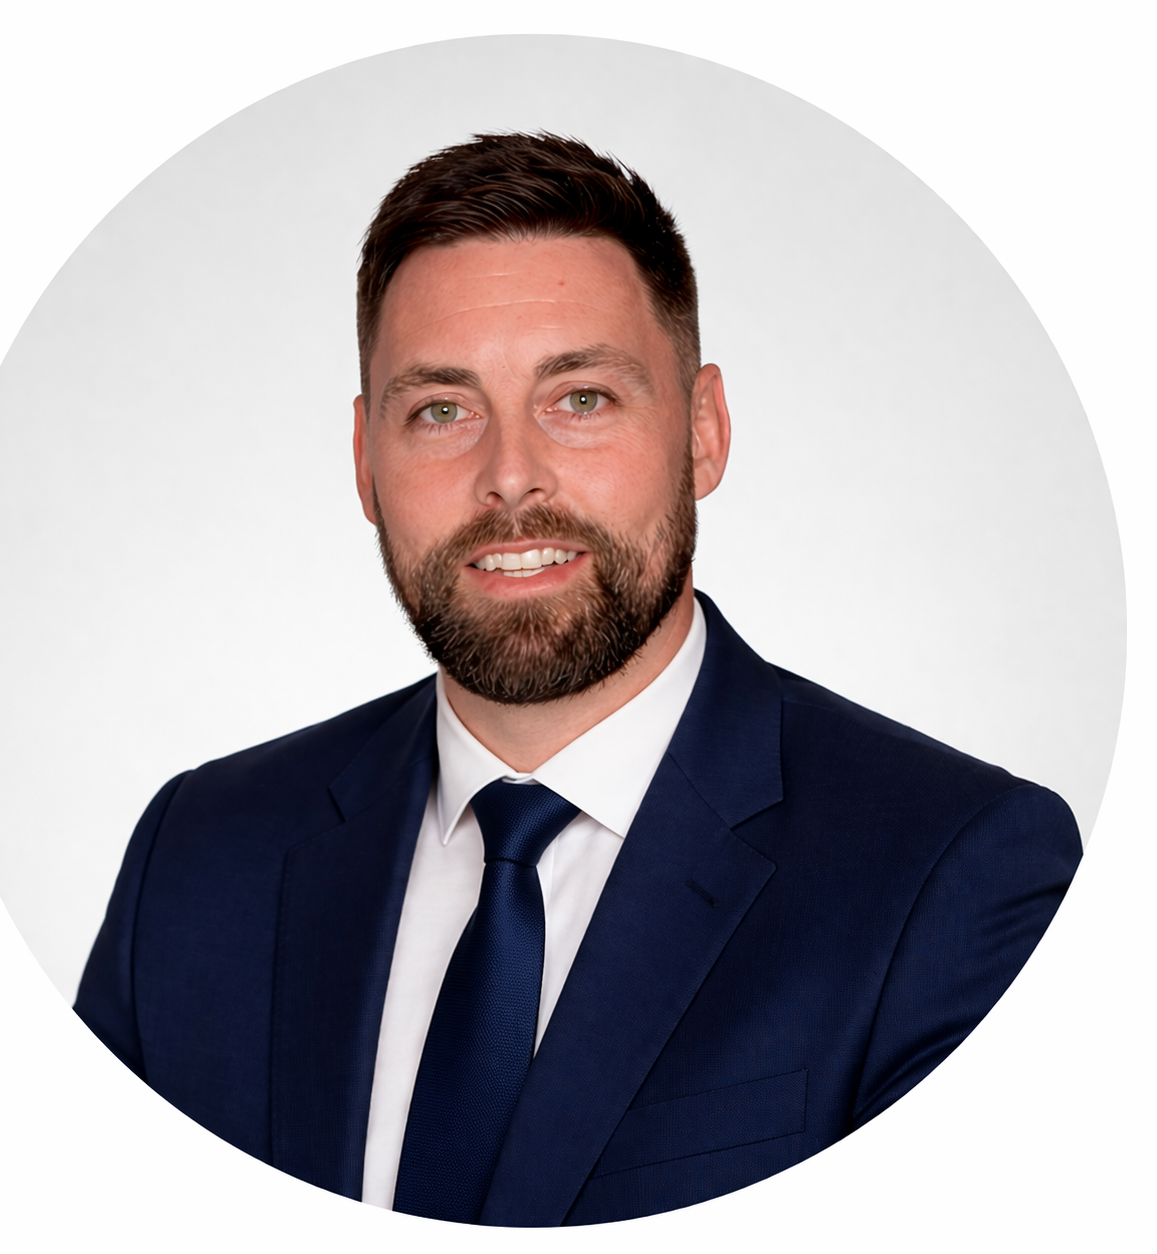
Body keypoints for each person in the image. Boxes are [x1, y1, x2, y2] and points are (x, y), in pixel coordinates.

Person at [74, 132, 1081, 1226]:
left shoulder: (955, 875)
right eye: (441, 411)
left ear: (703, 433)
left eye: (582, 398)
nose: (510, 477)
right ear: (366, 463)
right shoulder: (198, 858)